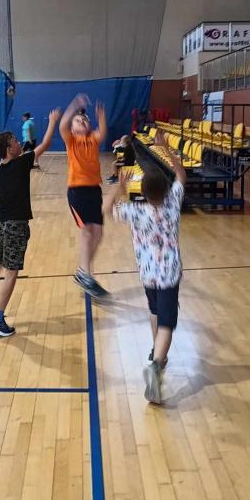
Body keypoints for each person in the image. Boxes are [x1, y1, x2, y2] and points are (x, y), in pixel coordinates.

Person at [0, 108, 61, 336]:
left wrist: (4, 194)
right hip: (16, 223)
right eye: (15, 140)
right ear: (9, 149)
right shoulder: (23, 162)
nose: (18, 142)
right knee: (11, 271)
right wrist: (53, 121)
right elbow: (45, 144)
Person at [103, 150, 186, 404]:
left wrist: (119, 187)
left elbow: (106, 209)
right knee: (167, 325)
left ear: (143, 192)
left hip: (148, 274)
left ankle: (155, 350)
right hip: (169, 274)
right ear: (166, 189)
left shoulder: (135, 212)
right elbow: (181, 176)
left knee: (154, 311)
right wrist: (169, 152)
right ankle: (157, 364)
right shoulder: (173, 202)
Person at [59, 95, 109, 298]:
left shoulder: (92, 140)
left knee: (98, 234)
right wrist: (74, 106)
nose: (82, 121)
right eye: (78, 121)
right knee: (87, 233)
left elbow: (102, 132)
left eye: (85, 120)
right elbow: (62, 124)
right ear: (72, 129)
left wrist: (101, 116)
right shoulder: (71, 141)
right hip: (77, 192)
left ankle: (82, 271)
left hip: (94, 191)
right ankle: (86, 275)